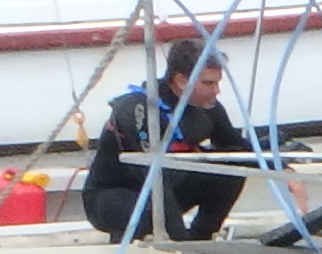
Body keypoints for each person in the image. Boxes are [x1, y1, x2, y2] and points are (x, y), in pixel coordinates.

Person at [80, 37, 247, 242]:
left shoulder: (209, 107)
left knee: (232, 169)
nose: (216, 91)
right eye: (208, 83)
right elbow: (152, 178)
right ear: (180, 80)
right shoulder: (139, 110)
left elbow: (238, 148)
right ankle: (130, 245)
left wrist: (282, 168)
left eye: (218, 83)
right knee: (151, 202)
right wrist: (179, 243)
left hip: (170, 186)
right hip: (114, 194)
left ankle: (202, 236)